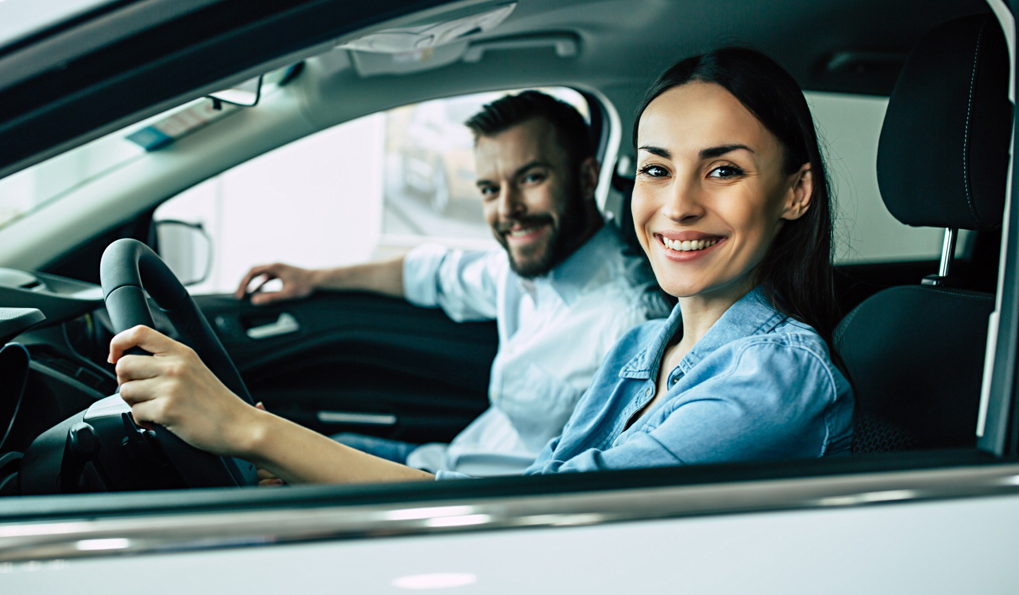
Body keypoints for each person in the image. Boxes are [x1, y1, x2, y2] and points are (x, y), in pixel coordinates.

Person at [108, 47, 854, 484]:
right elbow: (440, 274)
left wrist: (247, 429)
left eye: (722, 172)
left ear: (795, 192)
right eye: (658, 171)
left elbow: (542, 512)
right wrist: (315, 283)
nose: (678, 206)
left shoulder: (772, 374)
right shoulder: (646, 348)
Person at [230, 91, 669, 476]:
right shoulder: (527, 265)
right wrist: (315, 279)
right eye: (489, 190)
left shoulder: (629, 323)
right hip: (446, 459)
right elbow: (434, 274)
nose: (508, 209)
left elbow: (592, 483)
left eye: (531, 178)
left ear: (587, 177)